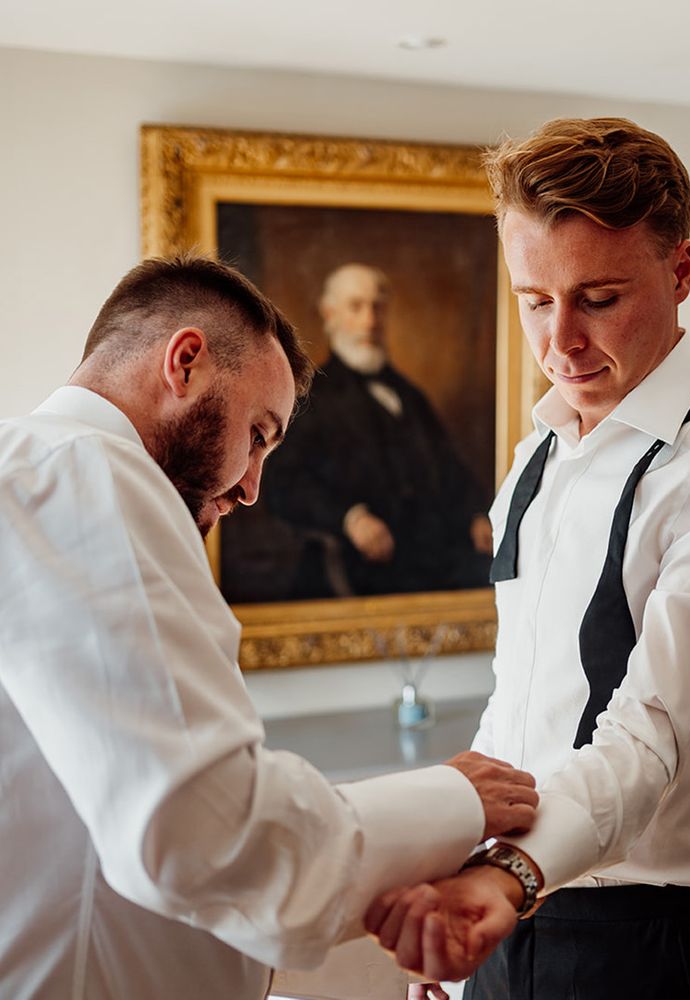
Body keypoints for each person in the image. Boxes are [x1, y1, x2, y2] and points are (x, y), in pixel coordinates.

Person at [364, 117, 690, 998]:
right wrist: (459, 877)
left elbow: (647, 732)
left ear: (679, 271)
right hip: (512, 911)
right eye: (534, 300)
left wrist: (503, 880)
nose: (560, 341)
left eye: (600, 298)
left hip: (659, 941)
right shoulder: (537, 451)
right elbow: (521, 697)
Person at [0, 255, 539, 1000]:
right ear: (184, 363)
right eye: (258, 433)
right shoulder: (88, 472)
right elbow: (203, 833)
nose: (252, 487)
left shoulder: (31, 472)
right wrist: (456, 798)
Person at [263, 263, 493, 598]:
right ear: (330, 315)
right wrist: (350, 518)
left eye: (377, 308)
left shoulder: (410, 396)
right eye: (356, 307)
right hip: (360, 565)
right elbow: (285, 485)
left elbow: (450, 466)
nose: (369, 321)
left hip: (434, 558)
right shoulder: (310, 398)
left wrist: (475, 513)